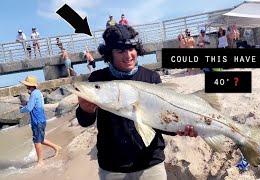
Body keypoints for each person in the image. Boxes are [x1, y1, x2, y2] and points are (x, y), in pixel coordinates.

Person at [76, 24, 198, 180]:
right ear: (110, 54)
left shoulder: (151, 78)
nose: (128, 56)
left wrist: (179, 128)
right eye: (120, 51)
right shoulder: (97, 80)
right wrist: (86, 110)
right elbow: (85, 121)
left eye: (131, 49)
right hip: (112, 168)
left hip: (151, 164)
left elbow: (161, 122)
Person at [19, 75, 61, 167]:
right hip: (41, 120)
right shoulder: (37, 93)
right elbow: (33, 104)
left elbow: (29, 108)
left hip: (37, 121)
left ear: (29, 85)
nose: (25, 86)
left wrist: (21, 109)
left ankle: (40, 161)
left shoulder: (33, 94)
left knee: (37, 141)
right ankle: (56, 147)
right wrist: (26, 103)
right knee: (40, 139)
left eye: (26, 84)